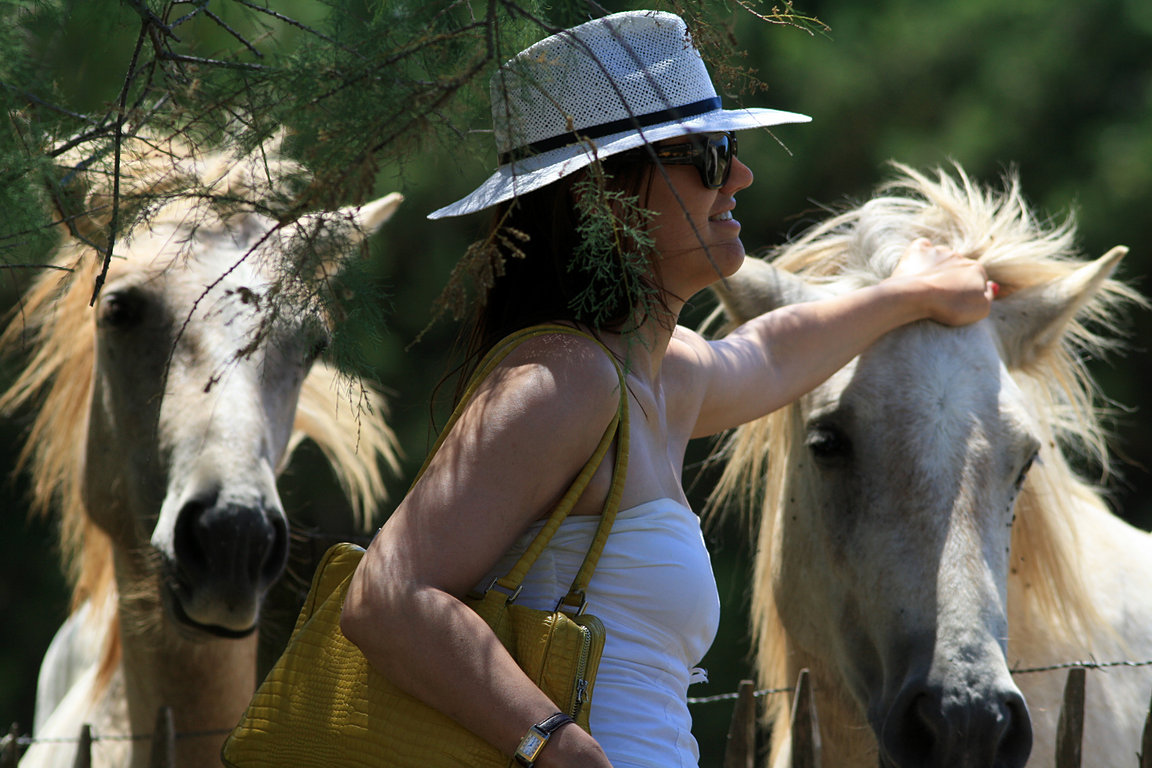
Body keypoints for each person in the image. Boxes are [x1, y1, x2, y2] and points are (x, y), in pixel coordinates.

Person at [340, 10, 995, 768]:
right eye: (707, 157)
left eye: (732, 149)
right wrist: (557, 747)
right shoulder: (561, 383)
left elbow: (769, 358)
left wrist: (912, 295)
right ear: (606, 198)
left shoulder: (651, 373)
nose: (741, 176)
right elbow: (386, 597)